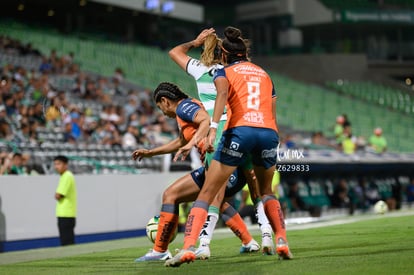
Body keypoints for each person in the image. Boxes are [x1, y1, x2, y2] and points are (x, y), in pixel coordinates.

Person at [165, 26, 292, 268]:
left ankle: (192, 246)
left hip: (236, 130)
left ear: (224, 54)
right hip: (268, 133)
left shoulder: (219, 71)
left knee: (208, 192)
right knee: (265, 192)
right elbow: (272, 112)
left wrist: (213, 128)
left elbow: (221, 92)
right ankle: (280, 240)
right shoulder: (264, 73)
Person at [133, 82, 260, 262]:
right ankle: (248, 242)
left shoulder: (184, 107)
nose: (162, 112)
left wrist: (193, 144)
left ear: (165, 101)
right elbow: (181, 141)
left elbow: (205, 120)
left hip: (222, 164)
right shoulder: (187, 108)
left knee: (171, 195)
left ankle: (163, 250)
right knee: (218, 202)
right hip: (229, 166)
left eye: (160, 107)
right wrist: (151, 152)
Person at [54, 155, 77, 246]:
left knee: (67, 243)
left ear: (65, 165)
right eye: (55, 164)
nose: (56, 167)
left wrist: (56, 195)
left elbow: (58, 195)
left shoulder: (66, 176)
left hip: (65, 214)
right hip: (67, 214)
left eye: (59, 164)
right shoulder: (66, 176)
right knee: (68, 241)